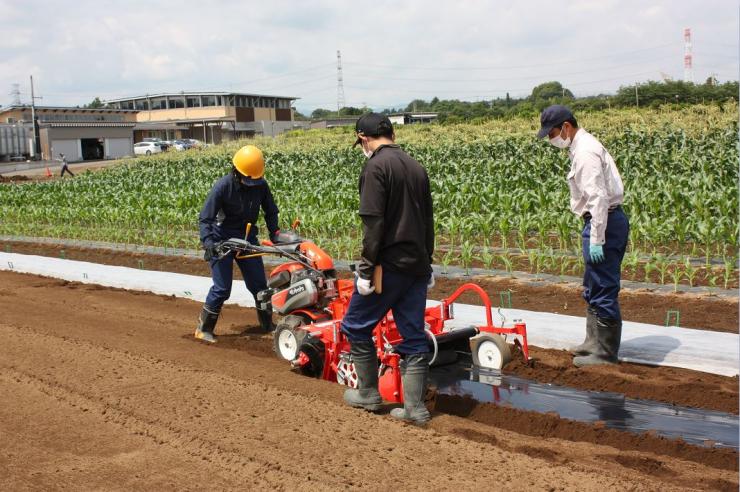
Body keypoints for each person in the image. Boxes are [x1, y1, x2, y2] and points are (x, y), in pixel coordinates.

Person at [341, 113, 435, 424]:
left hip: (389, 266)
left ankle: (368, 393)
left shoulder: (375, 167)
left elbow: (373, 224)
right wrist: (428, 261)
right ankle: (415, 409)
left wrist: (366, 272)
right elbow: (427, 222)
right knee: (413, 335)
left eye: (360, 143)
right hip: (417, 266)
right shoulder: (415, 166)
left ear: (363, 138)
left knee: (355, 325)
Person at [537, 105, 629, 367]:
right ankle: (592, 342)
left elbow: (598, 198)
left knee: (603, 286)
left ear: (566, 126)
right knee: (592, 285)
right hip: (600, 221)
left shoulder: (586, 151)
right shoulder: (579, 147)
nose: (551, 138)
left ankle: (605, 352)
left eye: (552, 132)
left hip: (605, 222)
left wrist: (598, 238)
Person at [195, 145, 281, 343]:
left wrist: (275, 233)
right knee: (222, 288)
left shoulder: (260, 185)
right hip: (222, 241)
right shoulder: (223, 186)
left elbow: (271, 210)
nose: (252, 182)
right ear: (237, 171)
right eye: (248, 179)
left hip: (247, 239)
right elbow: (205, 218)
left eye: (255, 179)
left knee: (260, 286)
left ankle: (267, 325)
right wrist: (208, 244)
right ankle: (203, 328)